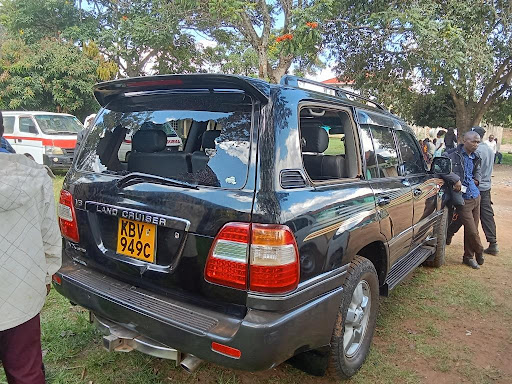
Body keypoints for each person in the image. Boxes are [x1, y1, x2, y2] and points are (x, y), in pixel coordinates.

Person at [0, 110, 62, 383]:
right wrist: (46, 276)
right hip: (22, 293)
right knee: (26, 373)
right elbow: (50, 237)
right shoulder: (33, 176)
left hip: (22, 292)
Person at [443, 130, 484, 269]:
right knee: (472, 230)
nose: (476, 144)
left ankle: (468, 257)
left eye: (478, 142)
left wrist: (477, 179)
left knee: (471, 229)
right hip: (462, 198)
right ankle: (479, 250)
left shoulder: (476, 156)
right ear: (464, 140)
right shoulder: (450, 155)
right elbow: (442, 169)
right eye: (473, 141)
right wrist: (456, 180)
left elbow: (477, 169)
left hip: (475, 196)